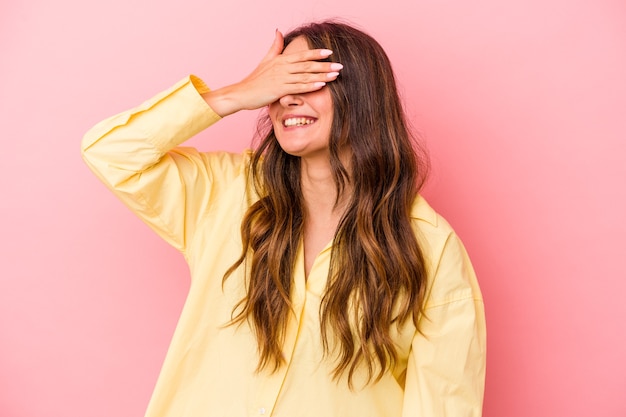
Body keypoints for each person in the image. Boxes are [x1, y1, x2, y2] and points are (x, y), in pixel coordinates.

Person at [82, 20, 485, 417]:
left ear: (362, 97)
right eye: (280, 82)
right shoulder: (226, 194)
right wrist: (236, 94)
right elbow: (111, 153)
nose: (288, 97)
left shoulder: (429, 244)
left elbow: (443, 404)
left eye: (309, 78)